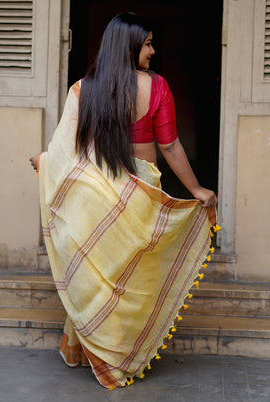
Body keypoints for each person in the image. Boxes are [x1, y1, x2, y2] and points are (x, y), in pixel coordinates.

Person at [30, 13, 217, 389]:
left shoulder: (84, 89)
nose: (153, 49)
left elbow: (69, 150)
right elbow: (169, 145)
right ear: (130, 46)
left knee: (99, 273)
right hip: (141, 191)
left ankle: (89, 352)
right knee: (134, 279)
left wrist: (45, 162)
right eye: (147, 43)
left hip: (98, 190)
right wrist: (197, 189)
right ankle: (121, 358)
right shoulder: (158, 86)